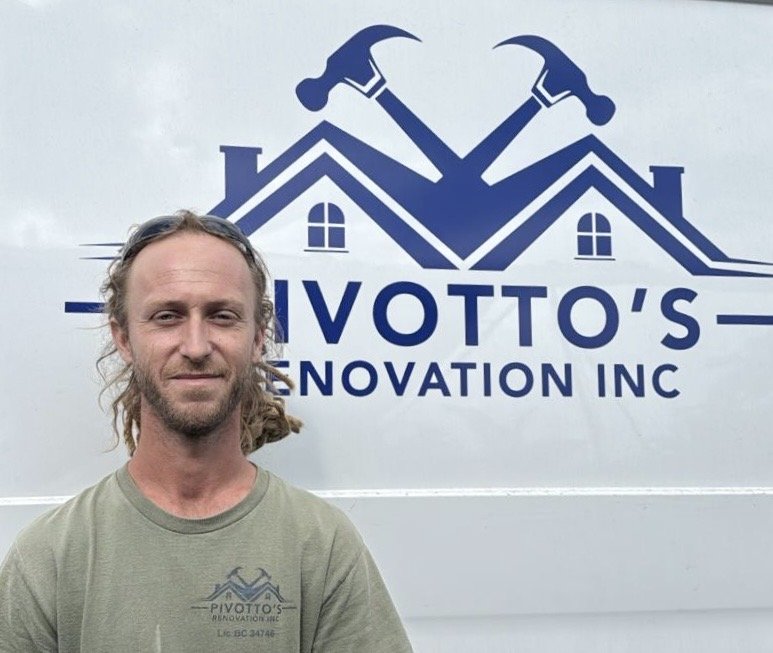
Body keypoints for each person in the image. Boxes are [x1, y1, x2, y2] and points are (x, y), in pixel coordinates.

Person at [0, 211, 413, 652]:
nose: (196, 347)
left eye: (222, 316)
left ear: (258, 338)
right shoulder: (49, 557)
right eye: (167, 316)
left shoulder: (322, 545)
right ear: (123, 338)